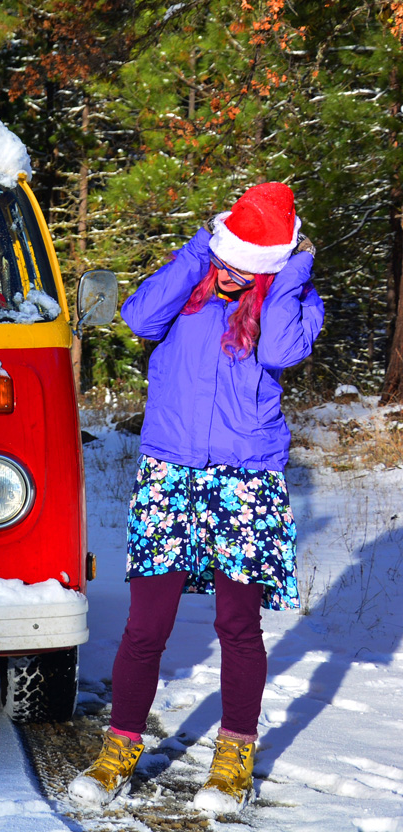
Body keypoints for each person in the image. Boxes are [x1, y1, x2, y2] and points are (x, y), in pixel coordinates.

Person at [68, 182, 324, 813]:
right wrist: (199, 251)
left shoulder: (294, 298)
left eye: (249, 262)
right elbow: (136, 317)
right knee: (146, 625)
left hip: (246, 479)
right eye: (231, 254)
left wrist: (291, 272)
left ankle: (234, 757)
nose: (236, 271)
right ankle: (119, 749)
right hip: (170, 474)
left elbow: (280, 350)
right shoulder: (192, 282)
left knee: (238, 625)